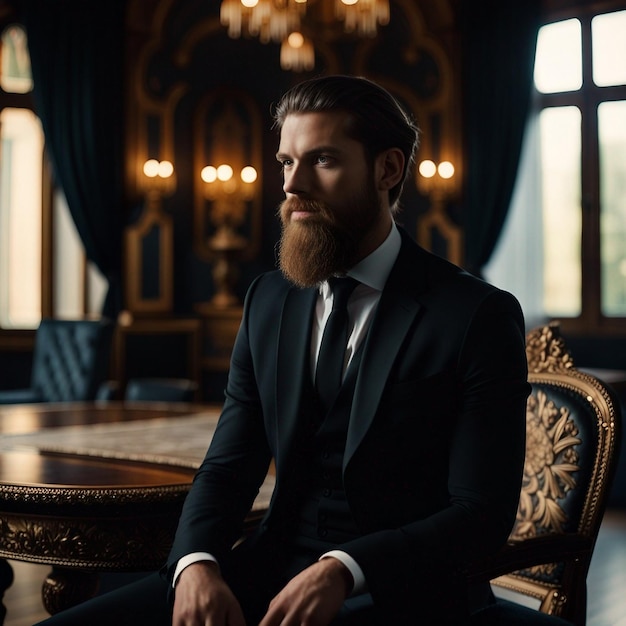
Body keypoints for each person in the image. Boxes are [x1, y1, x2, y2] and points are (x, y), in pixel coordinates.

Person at [38, 74, 530, 626]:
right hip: (265, 569)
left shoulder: (474, 314)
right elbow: (227, 466)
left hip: (403, 595)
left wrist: (344, 568)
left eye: (321, 160)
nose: (293, 185)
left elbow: (480, 515)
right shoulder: (269, 299)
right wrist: (196, 564)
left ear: (387, 169)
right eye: (286, 163)